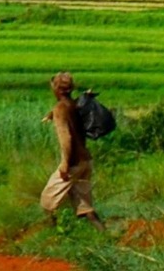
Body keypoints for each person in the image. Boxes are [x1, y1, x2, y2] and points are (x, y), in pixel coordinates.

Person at [43, 72, 105, 228]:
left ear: (56, 88)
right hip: (86, 161)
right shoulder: (74, 105)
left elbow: (66, 139)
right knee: (85, 207)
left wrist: (65, 164)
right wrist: (51, 115)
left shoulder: (60, 109)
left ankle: (55, 236)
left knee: (47, 202)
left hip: (74, 163)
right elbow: (72, 108)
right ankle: (105, 234)